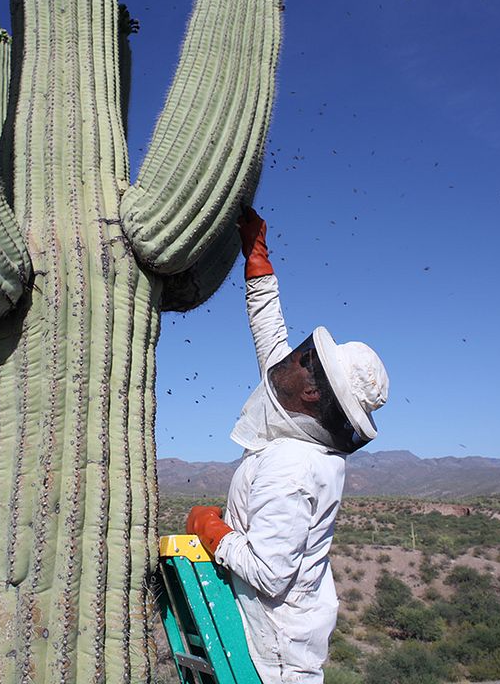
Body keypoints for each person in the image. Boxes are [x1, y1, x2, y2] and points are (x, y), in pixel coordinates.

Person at [185, 208, 389, 683]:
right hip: (278, 635)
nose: (293, 361)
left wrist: (211, 531)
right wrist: (257, 258)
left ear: (314, 389)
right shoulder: (297, 430)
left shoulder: (293, 464)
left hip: (275, 654)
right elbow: (270, 333)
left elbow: (270, 572)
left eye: (306, 362)